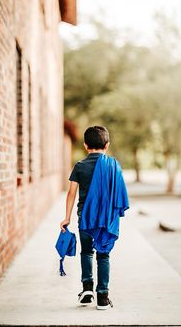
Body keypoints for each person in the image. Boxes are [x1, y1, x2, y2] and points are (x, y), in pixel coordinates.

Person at [60, 126, 129, 310]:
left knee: (87, 252)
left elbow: (71, 193)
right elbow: (120, 194)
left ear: (85, 145)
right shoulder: (114, 166)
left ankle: (87, 289)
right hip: (106, 218)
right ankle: (103, 297)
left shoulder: (80, 166)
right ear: (107, 145)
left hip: (85, 218)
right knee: (103, 255)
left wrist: (66, 217)